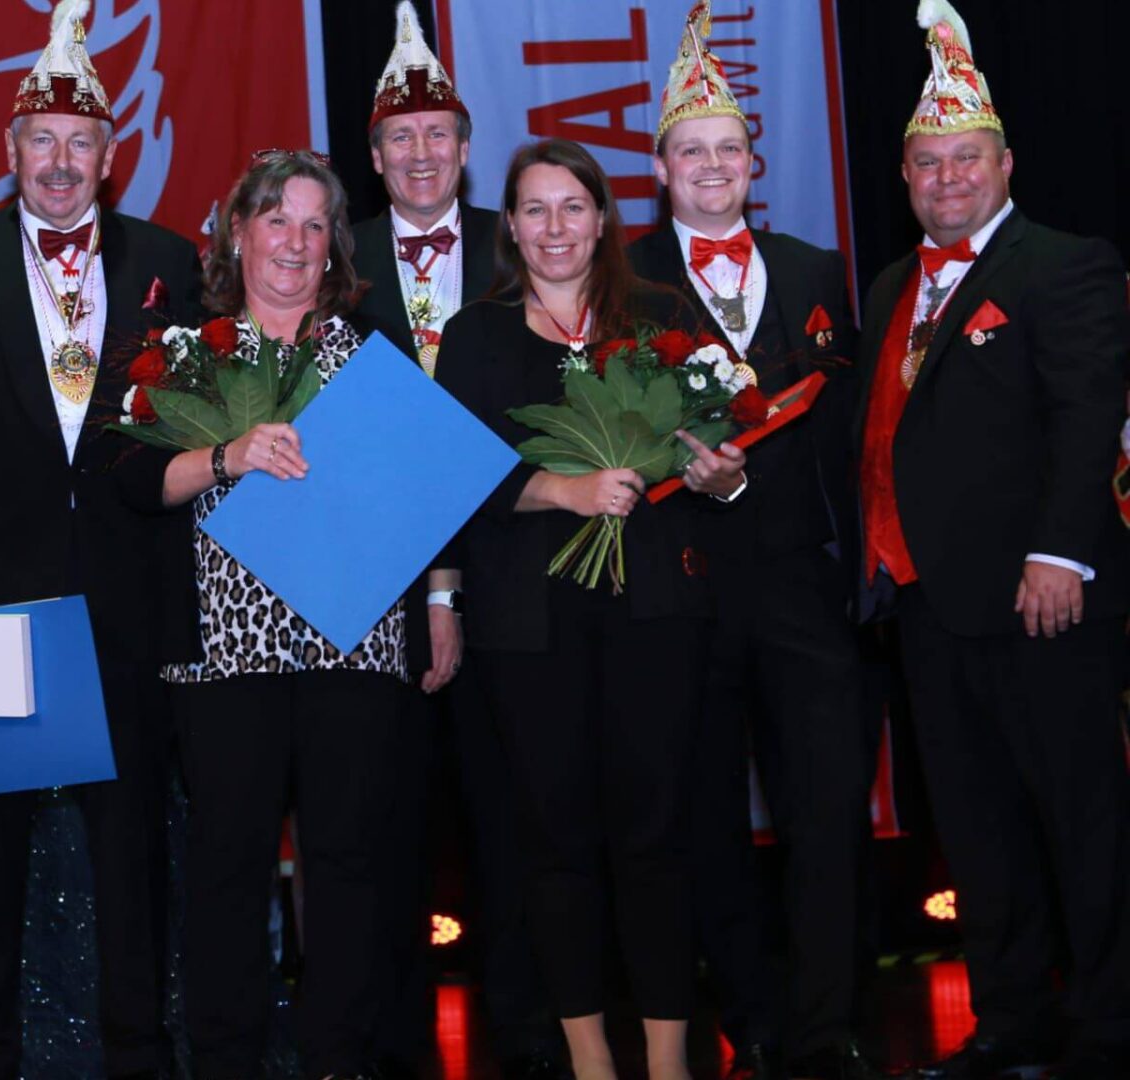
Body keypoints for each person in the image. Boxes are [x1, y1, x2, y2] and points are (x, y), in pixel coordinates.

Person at [0, 2, 200, 1075]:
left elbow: (190, 437)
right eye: (42, 141)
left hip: (130, 597)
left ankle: (138, 1053)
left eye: (80, 143)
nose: (61, 163)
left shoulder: (168, 261)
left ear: (111, 156)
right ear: (11, 149)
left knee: (133, 848)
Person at [856, 5, 1130, 1079]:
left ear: (1006, 164)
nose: (948, 178)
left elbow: (1087, 414)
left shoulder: (1065, 264)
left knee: (1083, 819)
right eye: (928, 163)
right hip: (928, 607)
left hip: (1041, 598)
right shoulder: (890, 285)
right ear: (904, 176)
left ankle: (1110, 1025)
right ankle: (1012, 1021)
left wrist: (1060, 554)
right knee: (976, 831)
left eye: (967, 158)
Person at [104, 148, 403, 1080]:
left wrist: (439, 598)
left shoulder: (371, 353)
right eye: (277, 219)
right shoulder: (189, 352)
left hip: (353, 643)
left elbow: (417, 494)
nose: (296, 242)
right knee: (230, 861)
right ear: (238, 233)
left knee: (347, 859)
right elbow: (132, 481)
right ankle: (227, 1056)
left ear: (335, 245)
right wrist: (227, 457)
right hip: (225, 649)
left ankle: (338, 1055)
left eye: (316, 224)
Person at [627, 6, 881, 1079]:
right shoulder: (625, 278)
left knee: (826, 809)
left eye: (728, 149)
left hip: (799, 585)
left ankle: (828, 1028)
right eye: (691, 151)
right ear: (661, 168)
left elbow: (851, 426)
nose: (712, 166)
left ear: (752, 160)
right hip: (680, 587)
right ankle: (753, 1018)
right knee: (702, 820)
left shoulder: (816, 268)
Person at [435, 139, 712, 1080]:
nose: (555, 227)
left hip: (653, 615)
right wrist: (564, 491)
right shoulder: (475, 336)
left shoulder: (663, 317)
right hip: (530, 624)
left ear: (602, 219)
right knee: (553, 845)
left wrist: (719, 472)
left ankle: (669, 1060)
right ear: (510, 228)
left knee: (656, 839)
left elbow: (715, 440)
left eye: (572, 206)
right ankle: (589, 1058)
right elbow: (452, 478)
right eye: (534, 209)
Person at [348, 7, 560, 1078]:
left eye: (437, 133)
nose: (421, 152)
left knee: (515, 816)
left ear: (467, 148)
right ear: (374, 155)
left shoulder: (523, 245)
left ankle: (527, 1033)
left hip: (514, 579)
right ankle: (389, 1044)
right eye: (401, 137)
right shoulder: (328, 257)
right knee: (377, 826)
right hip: (371, 588)